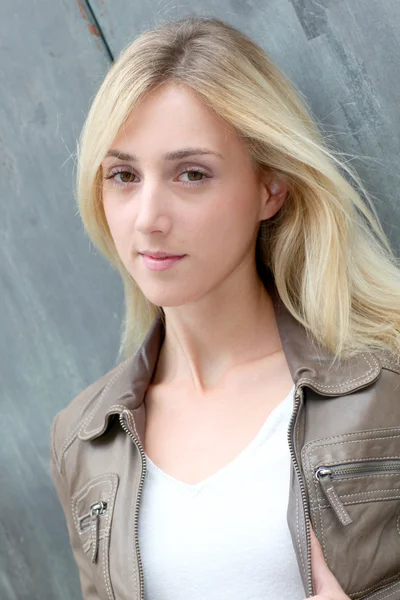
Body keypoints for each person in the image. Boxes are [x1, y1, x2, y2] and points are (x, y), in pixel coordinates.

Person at [50, 15, 400, 600]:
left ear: (270, 188)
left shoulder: (383, 384)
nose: (148, 217)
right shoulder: (84, 441)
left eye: (191, 174)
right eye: (124, 175)